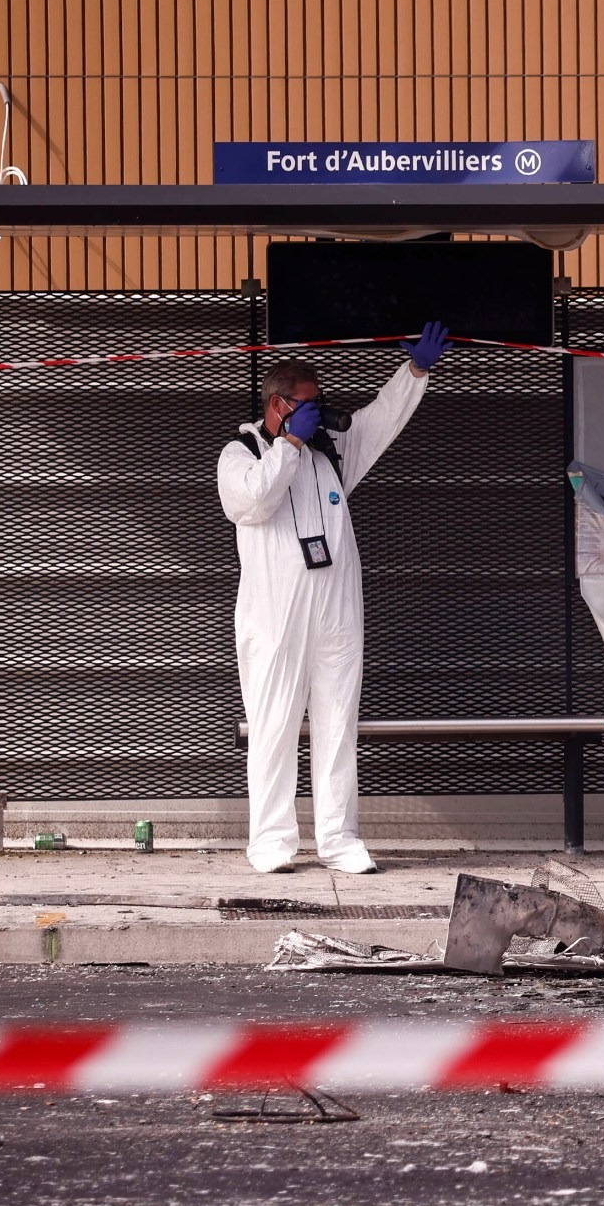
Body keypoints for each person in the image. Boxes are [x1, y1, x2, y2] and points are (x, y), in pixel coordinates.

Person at [217, 323, 451, 872]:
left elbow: (380, 420)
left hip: (335, 611)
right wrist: (288, 444)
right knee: (273, 726)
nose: (318, 413)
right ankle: (272, 842)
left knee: (338, 723)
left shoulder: (331, 455)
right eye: (307, 405)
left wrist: (415, 371)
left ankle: (339, 838)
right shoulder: (241, 452)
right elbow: (251, 503)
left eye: (319, 405)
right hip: (275, 616)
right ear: (278, 405)